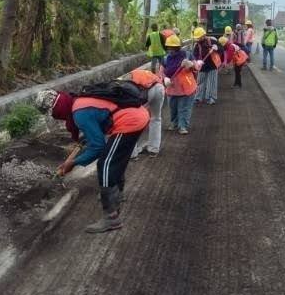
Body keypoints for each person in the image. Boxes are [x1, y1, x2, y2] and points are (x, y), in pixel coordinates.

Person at [35, 89, 149, 233]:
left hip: (129, 121)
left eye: (52, 114)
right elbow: (99, 120)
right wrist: (85, 139)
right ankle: (117, 196)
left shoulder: (79, 113)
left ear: (56, 109)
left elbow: (97, 147)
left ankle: (111, 218)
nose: (55, 117)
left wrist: (73, 162)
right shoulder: (77, 102)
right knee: (115, 160)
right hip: (137, 115)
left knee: (105, 165)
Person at [162, 35, 199, 134]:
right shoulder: (166, 59)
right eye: (168, 48)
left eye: (172, 48)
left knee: (184, 108)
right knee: (172, 108)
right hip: (172, 88)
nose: (170, 50)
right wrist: (165, 78)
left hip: (186, 88)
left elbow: (196, 67)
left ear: (177, 48)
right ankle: (174, 123)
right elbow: (162, 72)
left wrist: (191, 65)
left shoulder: (187, 55)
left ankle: (183, 126)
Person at [128, 69, 164, 158]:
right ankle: (153, 149)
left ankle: (133, 153)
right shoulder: (143, 73)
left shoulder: (129, 80)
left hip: (147, 91)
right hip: (159, 88)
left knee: (134, 120)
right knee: (156, 118)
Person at [192, 27, 220, 105]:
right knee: (200, 82)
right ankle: (198, 97)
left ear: (203, 35)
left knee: (212, 82)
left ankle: (211, 98)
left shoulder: (212, 41)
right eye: (197, 38)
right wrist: (198, 61)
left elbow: (221, 48)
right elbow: (194, 55)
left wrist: (216, 48)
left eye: (199, 37)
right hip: (202, 66)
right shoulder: (197, 45)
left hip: (212, 65)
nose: (197, 39)